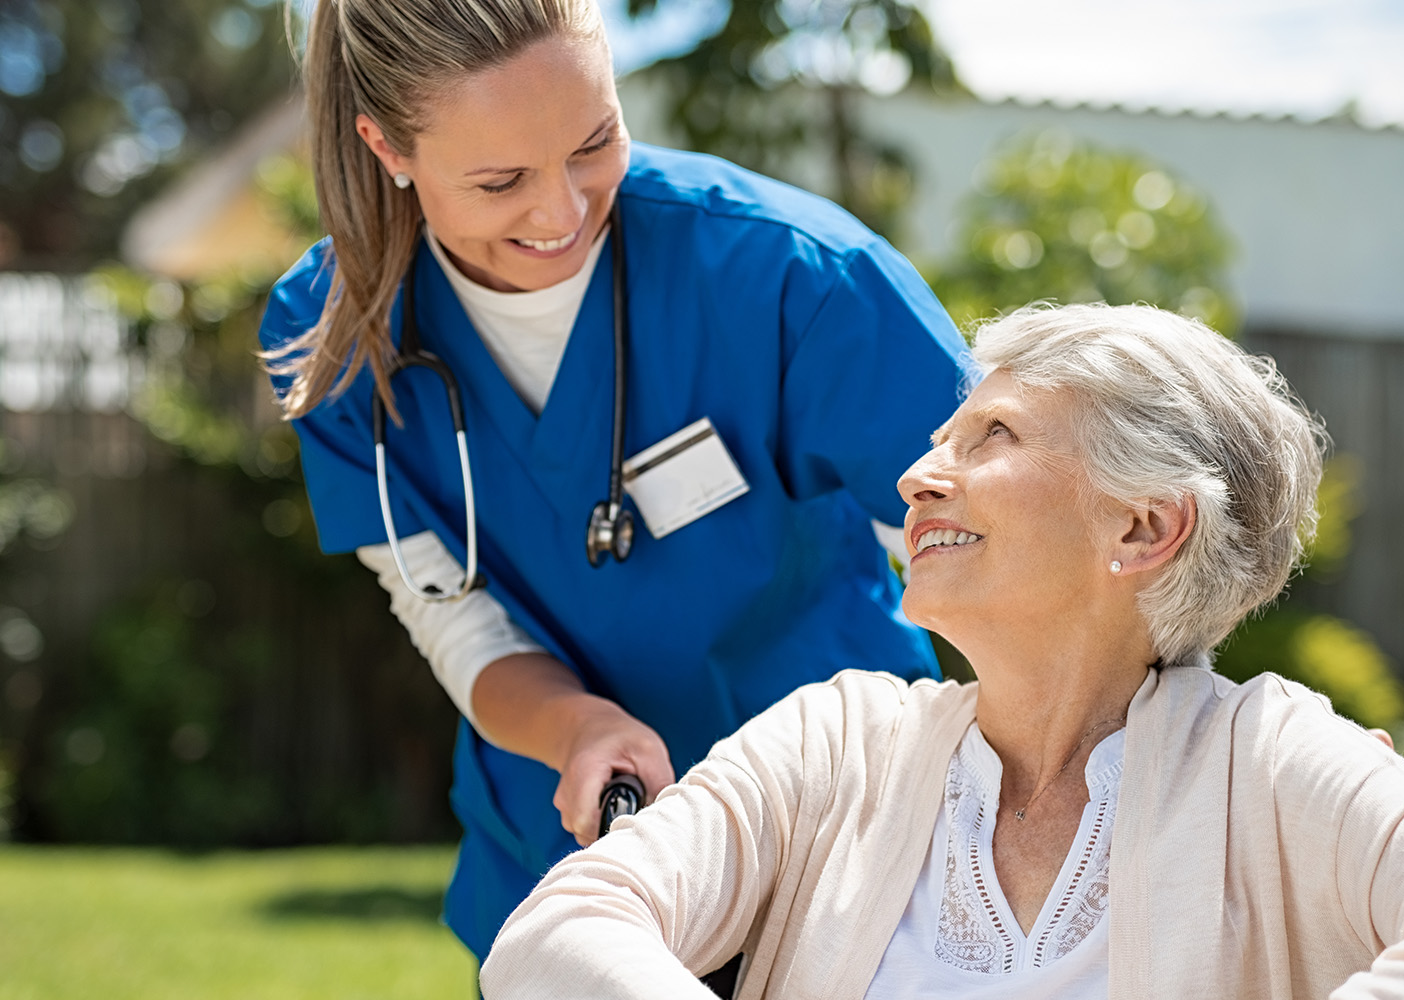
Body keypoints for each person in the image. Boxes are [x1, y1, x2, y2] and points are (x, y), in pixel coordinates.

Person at [480, 303, 1404, 1000]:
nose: (920, 473)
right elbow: (556, 938)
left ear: (1143, 526)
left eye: (991, 436)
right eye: (939, 435)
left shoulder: (1270, 758)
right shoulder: (835, 741)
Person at [256, 0, 970, 958]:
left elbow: (998, 555)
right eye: (500, 180)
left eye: (595, 142)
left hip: (842, 852)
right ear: (388, 146)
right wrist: (575, 729)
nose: (562, 213)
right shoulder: (328, 338)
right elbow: (454, 615)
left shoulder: (800, 279)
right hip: (572, 866)